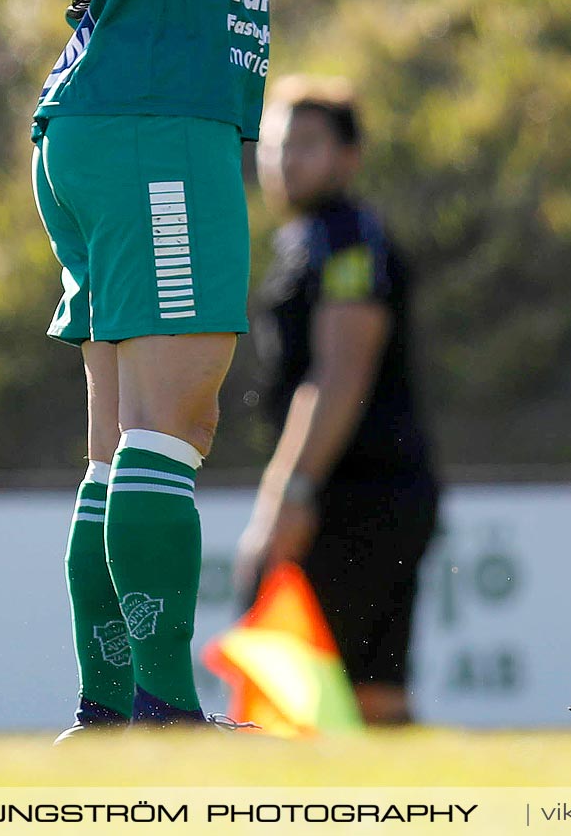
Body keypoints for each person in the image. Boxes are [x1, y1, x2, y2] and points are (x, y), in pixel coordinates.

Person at [0, 0, 380, 736]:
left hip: (102, 126)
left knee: (121, 438)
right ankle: (163, 703)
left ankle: (111, 708)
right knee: (175, 420)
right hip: (156, 120)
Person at [237, 77, 440, 726]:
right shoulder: (311, 239)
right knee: (374, 702)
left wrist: (289, 495)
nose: (285, 160)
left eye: (306, 144)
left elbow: (340, 374)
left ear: (349, 157)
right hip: (372, 491)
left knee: (292, 695)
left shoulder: (346, 240)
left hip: (356, 496)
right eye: (274, 146)